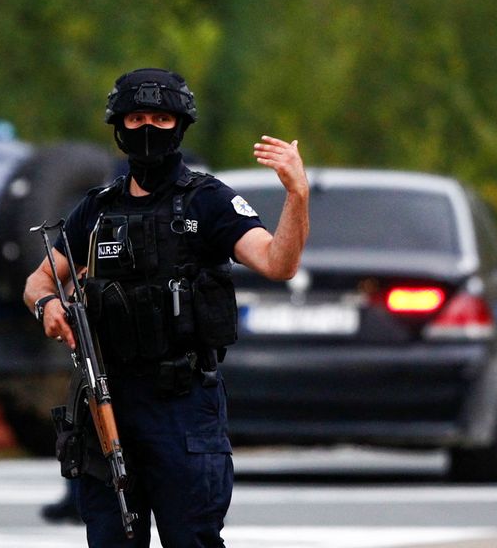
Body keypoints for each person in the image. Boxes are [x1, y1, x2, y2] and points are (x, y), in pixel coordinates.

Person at [23, 68, 309, 548]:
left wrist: (296, 194)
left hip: (181, 406)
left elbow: (278, 262)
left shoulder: (208, 202)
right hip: (109, 402)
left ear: (180, 125)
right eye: (136, 117)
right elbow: (40, 280)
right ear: (119, 127)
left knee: (190, 539)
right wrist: (48, 306)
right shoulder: (97, 209)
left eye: (160, 117)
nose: (149, 128)